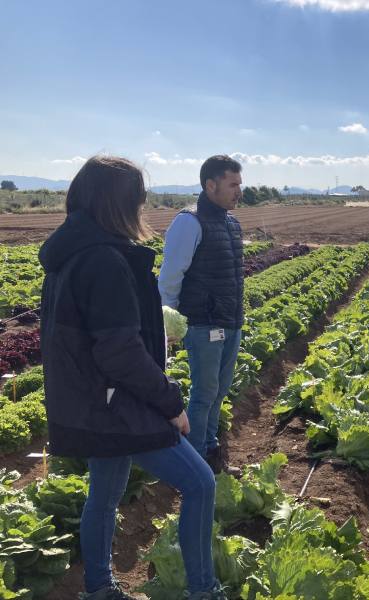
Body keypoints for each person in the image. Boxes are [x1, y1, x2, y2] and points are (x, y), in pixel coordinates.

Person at [38, 156, 222, 599]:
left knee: (105, 492)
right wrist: (171, 403)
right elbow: (118, 351)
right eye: (139, 200)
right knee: (199, 483)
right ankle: (204, 590)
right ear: (120, 203)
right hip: (116, 402)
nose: (143, 209)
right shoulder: (103, 260)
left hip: (90, 398)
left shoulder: (72, 252)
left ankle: (99, 588)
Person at [159, 155, 244, 474]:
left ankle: (210, 449)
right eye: (232, 184)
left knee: (219, 390)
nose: (239, 190)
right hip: (204, 323)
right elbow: (170, 277)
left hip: (230, 321)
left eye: (240, 183)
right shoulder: (188, 222)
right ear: (211, 185)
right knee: (204, 392)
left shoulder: (231, 222)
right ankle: (193, 461)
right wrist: (169, 321)